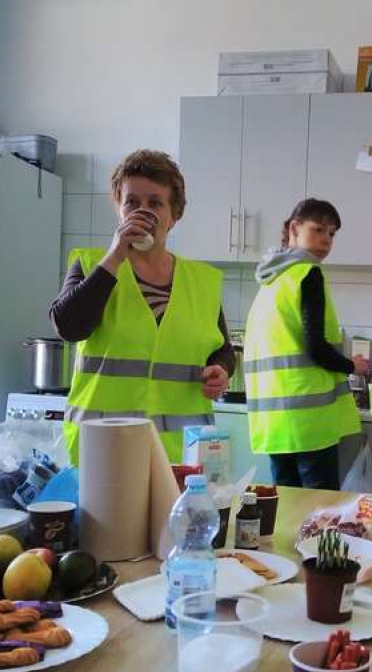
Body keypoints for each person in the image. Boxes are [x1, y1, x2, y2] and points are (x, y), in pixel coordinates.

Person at [49, 149, 235, 465]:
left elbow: (223, 350)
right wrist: (115, 256)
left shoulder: (201, 281)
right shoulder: (92, 264)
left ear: (174, 215)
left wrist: (222, 370)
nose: (142, 211)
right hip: (104, 448)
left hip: (180, 456)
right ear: (119, 209)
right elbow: (68, 327)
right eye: (132, 202)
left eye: (155, 203)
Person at [243, 198, 367, 490]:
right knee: (319, 511)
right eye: (318, 230)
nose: (326, 240)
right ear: (294, 229)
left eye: (332, 234)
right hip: (309, 420)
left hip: (274, 421)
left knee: (285, 506)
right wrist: (353, 366)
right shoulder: (308, 273)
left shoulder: (272, 279)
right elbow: (316, 348)